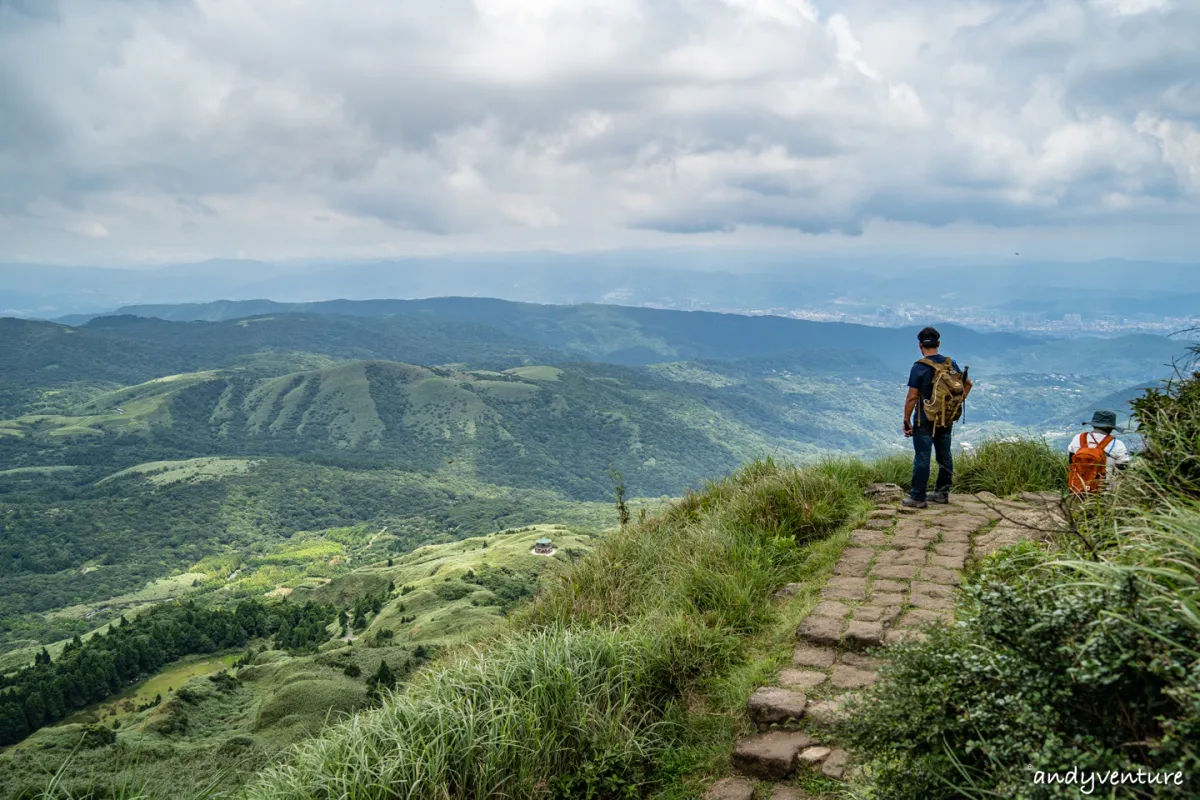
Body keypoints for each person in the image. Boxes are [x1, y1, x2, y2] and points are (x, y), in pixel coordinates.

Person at [902, 326, 972, 508]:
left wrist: (906, 420)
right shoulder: (950, 363)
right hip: (945, 418)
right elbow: (968, 383)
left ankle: (918, 497)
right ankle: (942, 492)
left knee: (923, 458)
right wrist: (956, 403)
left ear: (920, 346)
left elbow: (912, 397)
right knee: (944, 455)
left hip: (924, 419)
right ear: (938, 343)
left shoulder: (919, 367)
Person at [1067, 410, 1131, 493]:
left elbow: (1071, 462)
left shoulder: (1078, 438)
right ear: (1111, 428)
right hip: (1104, 489)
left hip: (1077, 486)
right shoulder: (1117, 444)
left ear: (1094, 425)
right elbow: (1123, 468)